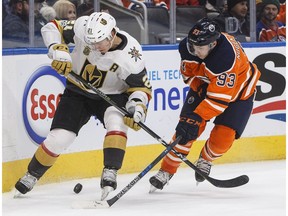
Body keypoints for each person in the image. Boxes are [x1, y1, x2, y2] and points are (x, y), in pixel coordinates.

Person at [14, 12, 152, 201]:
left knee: (117, 123)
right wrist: (57, 48)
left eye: (99, 42)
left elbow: (141, 88)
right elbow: (51, 27)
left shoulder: (131, 55)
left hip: (112, 96)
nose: (94, 47)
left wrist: (137, 107)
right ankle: (32, 174)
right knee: (60, 138)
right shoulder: (82, 27)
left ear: (112, 34)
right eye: (91, 42)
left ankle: (110, 171)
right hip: (77, 92)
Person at [149, 18, 261, 192]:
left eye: (201, 48)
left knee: (223, 138)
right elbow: (189, 76)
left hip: (240, 93)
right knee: (184, 131)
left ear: (213, 44)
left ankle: (206, 159)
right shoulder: (188, 47)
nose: (196, 51)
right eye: (194, 46)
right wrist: (192, 116)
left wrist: (197, 116)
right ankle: (166, 171)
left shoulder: (226, 58)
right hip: (206, 86)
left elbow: (219, 100)